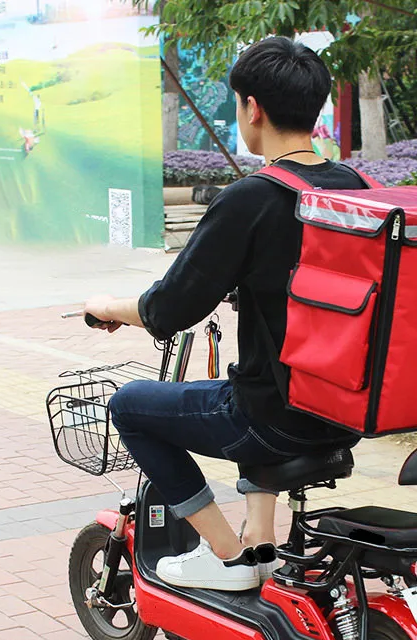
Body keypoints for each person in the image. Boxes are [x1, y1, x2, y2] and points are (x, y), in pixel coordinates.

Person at [83, 37, 365, 591]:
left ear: (251, 108)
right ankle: (261, 542)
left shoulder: (251, 199)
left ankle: (229, 556)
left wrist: (108, 308)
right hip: (342, 410)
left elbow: (170, 309)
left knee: (132, 406)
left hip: (274, 417)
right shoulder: (356, 189)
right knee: (245, 380)